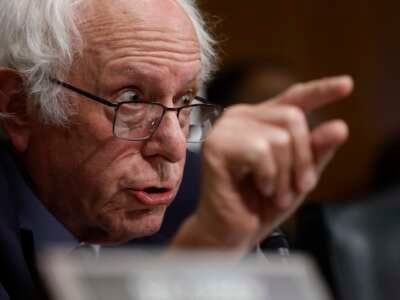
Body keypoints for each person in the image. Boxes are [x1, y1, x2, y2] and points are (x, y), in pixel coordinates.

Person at [0, 0, 353, 298]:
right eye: (131, 99)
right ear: (18, 106)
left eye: (185, 100)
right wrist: (204, 252)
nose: (173, 145)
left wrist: (217, 244)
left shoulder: (201, 201)